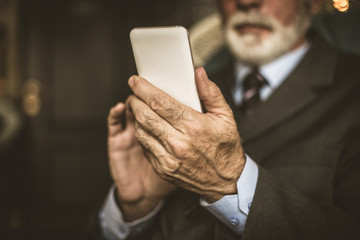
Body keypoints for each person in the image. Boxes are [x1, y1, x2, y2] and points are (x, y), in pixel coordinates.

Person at [92, 0, 360, 239]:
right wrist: (136, 206)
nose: (246, 2)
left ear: (313, 3)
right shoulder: (187, 86)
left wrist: (228, 182)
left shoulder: (352, 90)